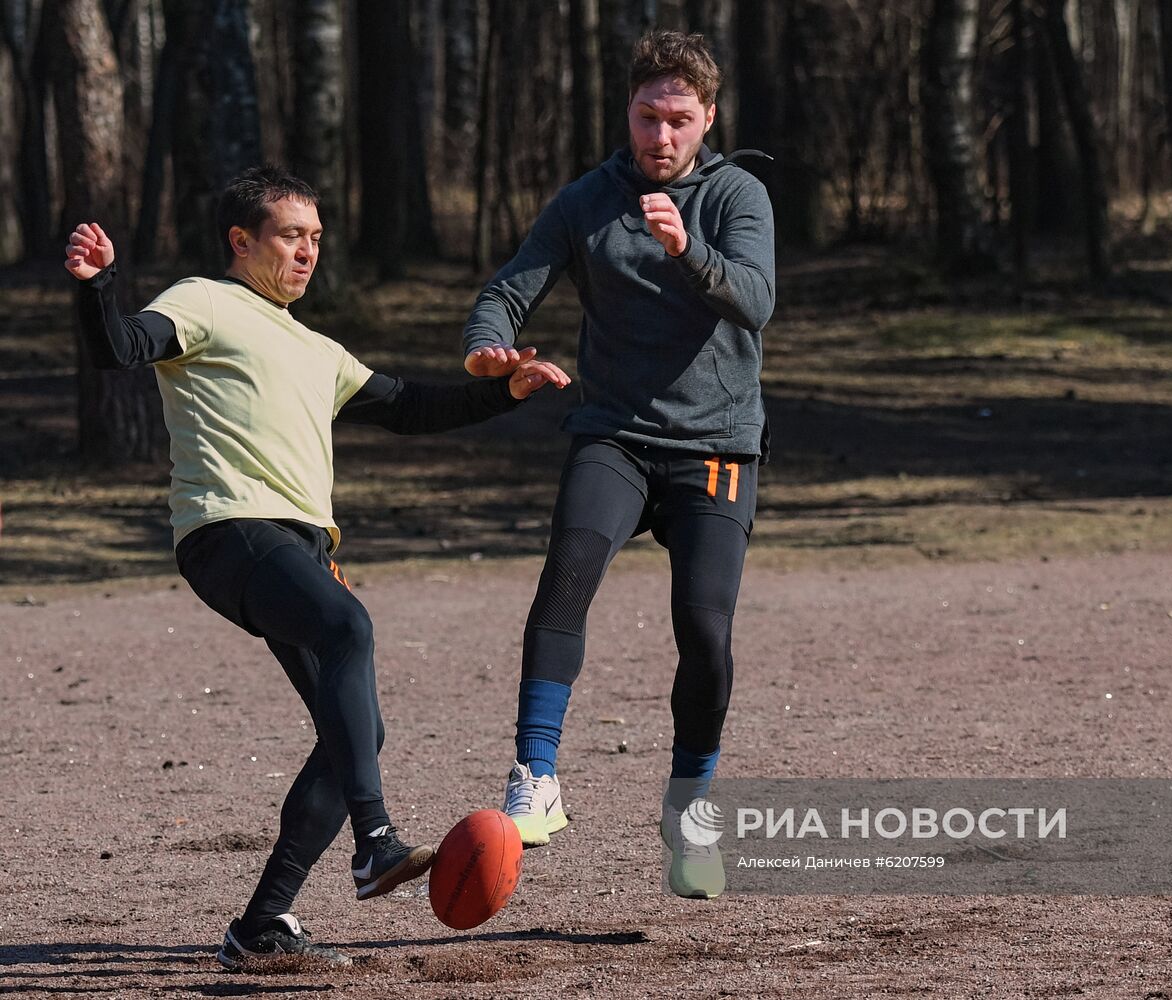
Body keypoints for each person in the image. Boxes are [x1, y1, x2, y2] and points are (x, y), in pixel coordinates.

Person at [65, 166, 569, 969]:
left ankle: (261, 923)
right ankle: (374, 843)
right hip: (228, 532)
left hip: (297, 548)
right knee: (347, 626)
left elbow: (408, 407)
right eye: (291, 237)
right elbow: (118, 348)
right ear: (243, 241)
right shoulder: (201, 301)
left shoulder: (315, 346)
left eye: (317, 240)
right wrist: (97, 285)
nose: (308, 253)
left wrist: (505, 392)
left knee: (357, 731)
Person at [463, 29, 775, 899]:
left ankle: (691, 813)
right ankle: (536, 778)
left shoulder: (738, 196)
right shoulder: (586, 201)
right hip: (615, 436)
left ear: (707, 118)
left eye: (679, 119)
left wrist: (687, 251)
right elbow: (506, 290)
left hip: (715, 448)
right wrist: (490, 346)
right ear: (627, 113)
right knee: (566, 574)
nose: (661, 136)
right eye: (648, 117)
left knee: (706, 635)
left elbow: (755, 301)